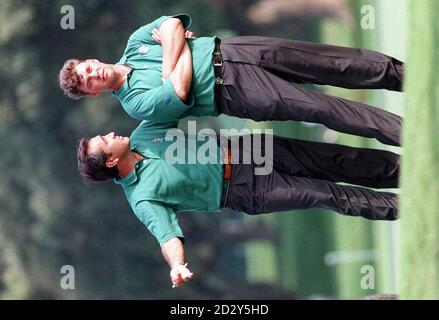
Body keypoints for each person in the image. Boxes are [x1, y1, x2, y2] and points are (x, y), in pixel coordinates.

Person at [76, 120, 400, 288]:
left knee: (333, 159)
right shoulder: (142, 198)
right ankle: (402, 207)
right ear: (110, 162)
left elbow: (175, 90)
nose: (110, 133)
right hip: (245, 189)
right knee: (326, 194)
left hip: (249, 148)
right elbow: (167, 236)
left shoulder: (145, 133)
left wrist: (174, 41)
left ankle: (402, 170)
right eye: (105, 141)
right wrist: (176, 264)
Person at [60, 14, 404, 147]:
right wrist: (179, 51)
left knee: (327, 61)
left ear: (91, 61)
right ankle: (405, 131)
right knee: (323, 109)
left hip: (236, 49)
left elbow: (172, 26)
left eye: (87, 69)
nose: (94, 75)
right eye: (88, 82)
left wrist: (171, 56)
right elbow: (179, 88)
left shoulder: (134, 44)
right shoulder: (135, 104)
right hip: (234, 91)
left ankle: (403, 76)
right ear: (92, 94)